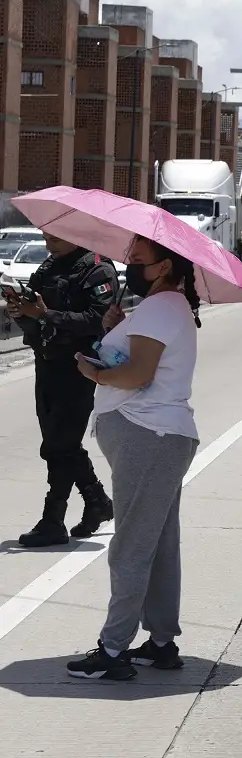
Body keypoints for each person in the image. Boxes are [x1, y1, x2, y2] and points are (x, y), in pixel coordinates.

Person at [64, 235, 204, 680]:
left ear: (163, 267)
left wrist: (92, 371)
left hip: (149, 436)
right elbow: (140, 360)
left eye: (138, 259)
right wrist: (116, 327)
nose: (130, 266)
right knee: (157, 543)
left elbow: (138, 374)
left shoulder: (162, 307)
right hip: (157, 436)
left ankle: (113, 649)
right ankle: (161, 642)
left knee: (131, 545)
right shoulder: (162, 308)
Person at [5, 233, 118, 548]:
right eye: (45, 236)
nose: (47, 243)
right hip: (47, 361)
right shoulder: (50, 267)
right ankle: (97, 501)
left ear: (75, 234)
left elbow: (97, 320)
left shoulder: (98, 270)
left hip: (78, 366)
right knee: (58, 441)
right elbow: (36, 315)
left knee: (60, 443)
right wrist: (21, 312)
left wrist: (44, 314)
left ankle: (53, 519)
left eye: (54, 237)